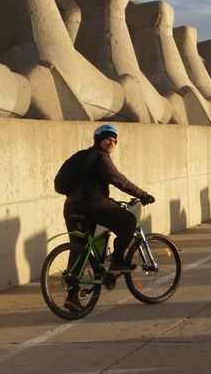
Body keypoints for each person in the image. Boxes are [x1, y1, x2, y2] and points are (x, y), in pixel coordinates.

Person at [63, 125, 155, 310]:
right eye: (107, 139)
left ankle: (71, 298)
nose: (111, 143)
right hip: (92, 203)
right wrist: (143, 195)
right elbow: (119, 180)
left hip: (72, 206)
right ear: (98, 140)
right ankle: (117, 263)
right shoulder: (100, 157)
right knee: (128, 221)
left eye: (114, 141)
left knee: (79, 249)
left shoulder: (82, 157)